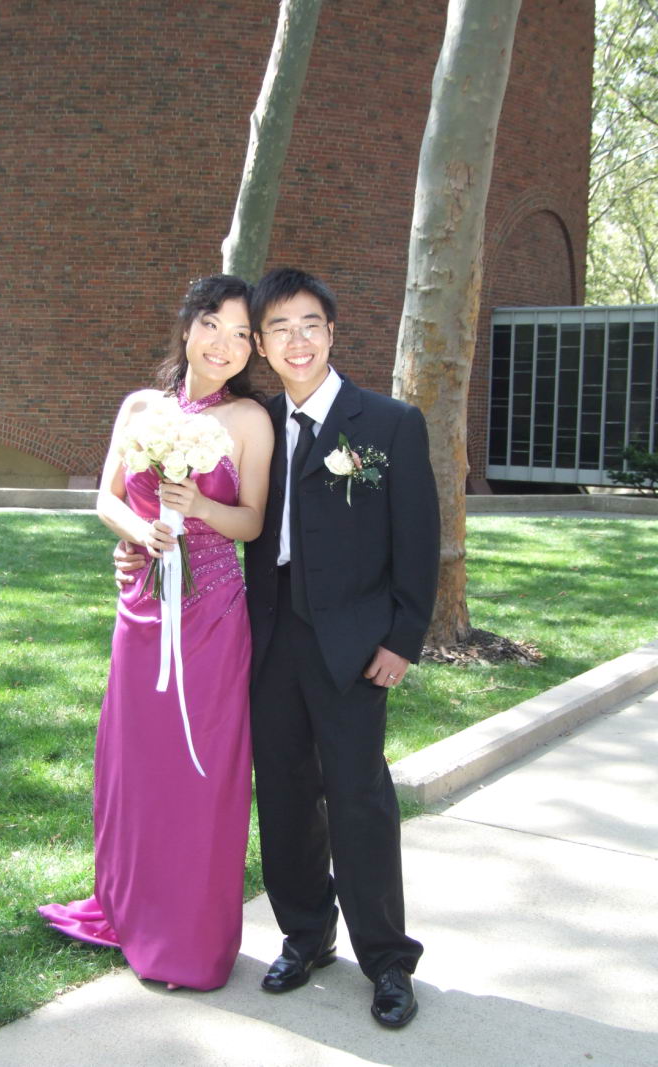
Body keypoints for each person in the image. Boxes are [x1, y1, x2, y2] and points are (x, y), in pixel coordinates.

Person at [39, 274, 274, 991]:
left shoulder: (249, 420)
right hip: (142, 605)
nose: (224, 344)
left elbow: (251, 522)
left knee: (202, 770)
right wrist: (144, 534)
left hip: (213, 614)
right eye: (213, 324)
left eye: (241, 334)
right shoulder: (142, 407)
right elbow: (106, 498)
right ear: (188, 326)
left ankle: (189, 937)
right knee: (136, 764)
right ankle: (127, 908)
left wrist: (197, 505)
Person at [244, 268, 439, 1028]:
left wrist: (403, 637)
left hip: (355, 643)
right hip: (269, 638)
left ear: (331, 332)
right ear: (262, 345)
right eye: (280, 328)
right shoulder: (256, 422)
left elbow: (417, 539)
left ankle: (387, 958)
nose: (297, 340)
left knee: (358, 798)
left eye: (310, 325)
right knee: (284, 794)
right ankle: (305, 933)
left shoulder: (387, 423)